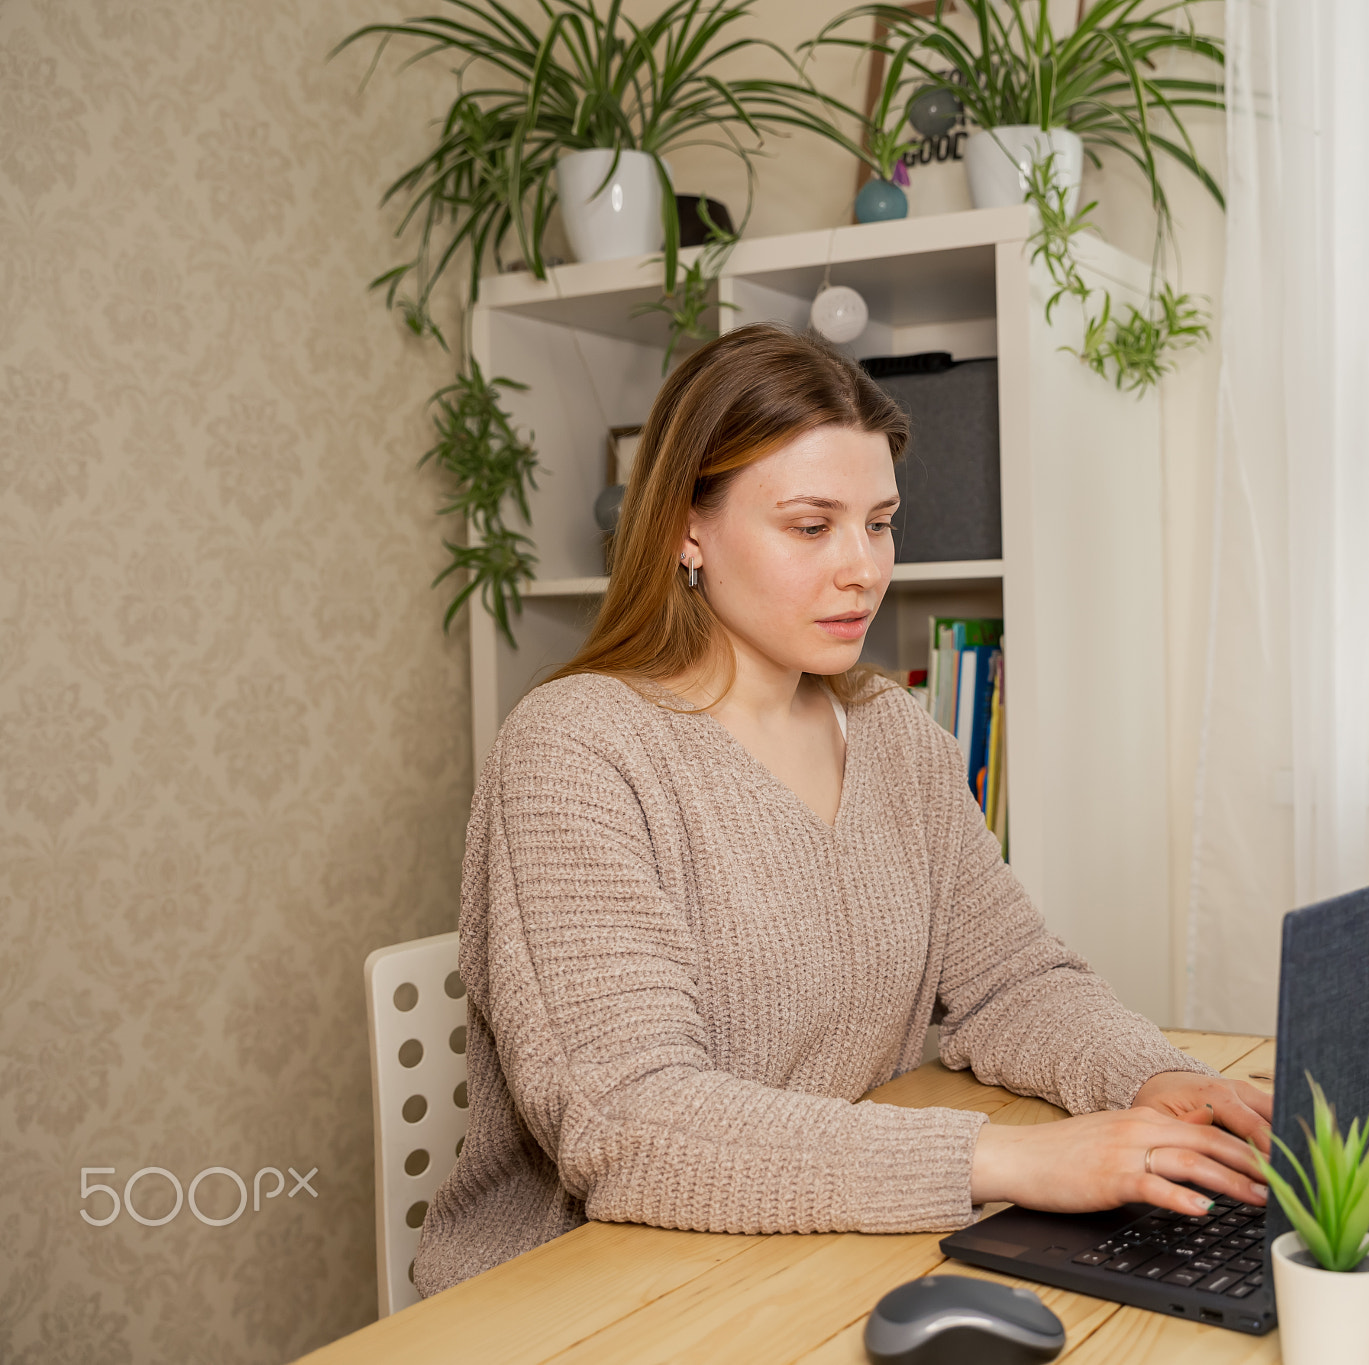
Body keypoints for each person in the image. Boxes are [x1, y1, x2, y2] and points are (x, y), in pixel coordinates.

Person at [412, 323, 1272, 1296]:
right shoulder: (575, 749)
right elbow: (628, 1123)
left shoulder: (895, 735)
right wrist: (1011, 1161)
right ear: (684, 529)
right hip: (586, 1296)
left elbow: (1009, 981)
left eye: (879, 522)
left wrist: (1150, 1081)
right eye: (810, 526)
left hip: (815, 1253)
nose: (863, 568)